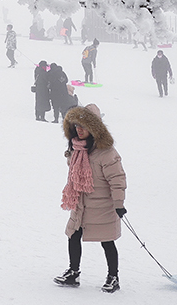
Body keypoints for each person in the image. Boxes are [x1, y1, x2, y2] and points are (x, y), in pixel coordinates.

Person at [54, 105, 127, 292]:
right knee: (73, 235)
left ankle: (113, 277)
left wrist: (119, 204)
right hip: (80, 203)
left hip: (102, 205)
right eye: (77, 125)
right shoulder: (77, 148)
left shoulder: (107, 153)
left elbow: (117, 179)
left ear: (94, 128)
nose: (79, 129)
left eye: (84, 126)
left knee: (107, 241)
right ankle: (73, 272)